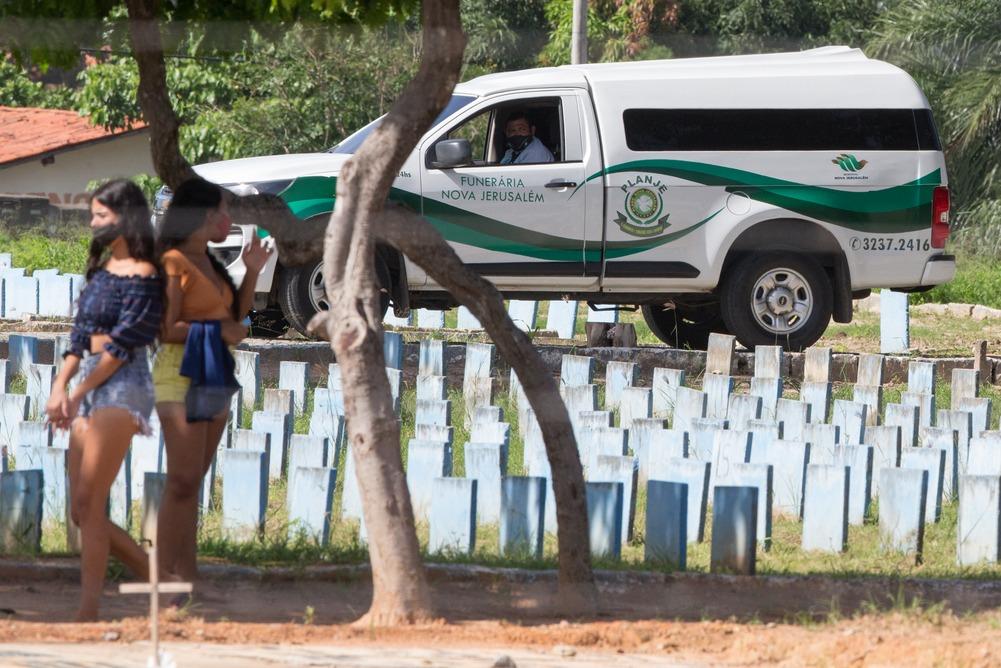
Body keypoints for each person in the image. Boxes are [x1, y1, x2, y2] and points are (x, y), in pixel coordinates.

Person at [46, 179, 163, 621]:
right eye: (92, 215)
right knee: (81, 510)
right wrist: (60, 387)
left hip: (123, 386)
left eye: (101, 215)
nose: (93, 223)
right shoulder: (99, 273)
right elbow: (79, 338)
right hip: (87, 384)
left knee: (90, 502)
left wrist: (76, 393)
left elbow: (121, 347)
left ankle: (88, 609)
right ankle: (158, 582)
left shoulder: (145, 275)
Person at [153, 178, 271, 585]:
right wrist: (218, 331)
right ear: (203, 216)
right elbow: (166, 329)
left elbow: (234, 316)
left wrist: (252, 271)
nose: (227, 219)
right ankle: (162, 575)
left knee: (193, 483)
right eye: (222, 211)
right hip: (179, 374)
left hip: (215, 372)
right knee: (182, 482)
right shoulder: (172, 262)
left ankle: (186, 576)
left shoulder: (209, 261)